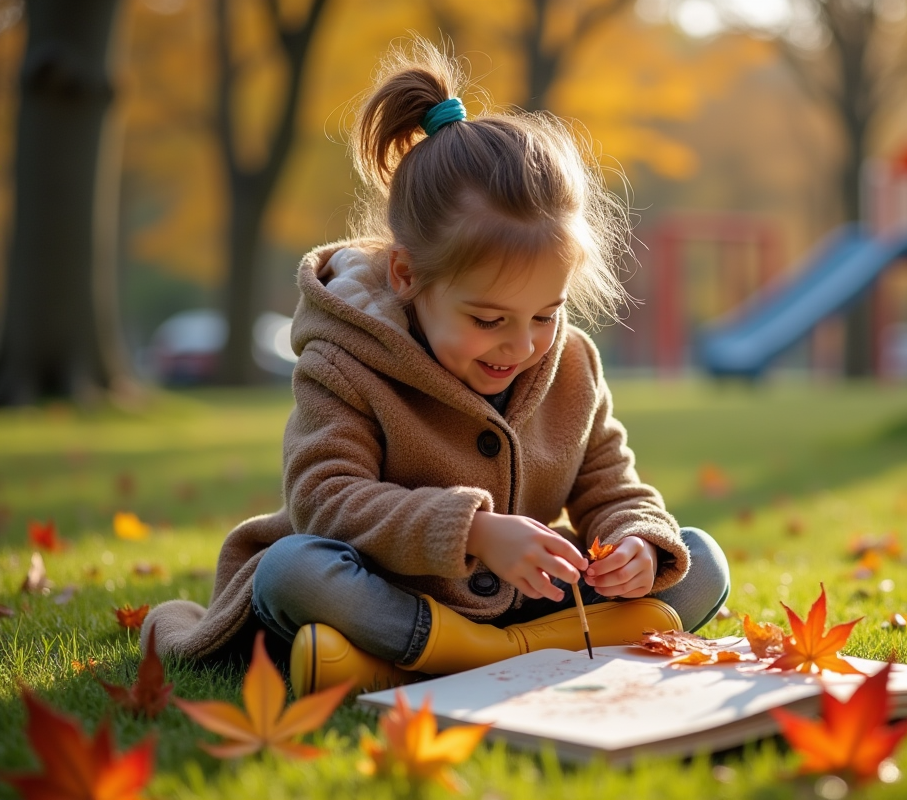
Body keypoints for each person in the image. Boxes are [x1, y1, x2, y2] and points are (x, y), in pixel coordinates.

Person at [141, 38, 730, 696]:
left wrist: (635, 548)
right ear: (407, 276)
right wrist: (475, 533)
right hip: (391, 599)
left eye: (545, 314)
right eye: (487, 320)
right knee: (291, 571)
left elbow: (613, 489)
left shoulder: (571, 365)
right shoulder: (345, 361)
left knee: (700, 560)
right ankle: (484, 653)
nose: (521, 345)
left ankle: (424, 662)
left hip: (522, 602)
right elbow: (324, 501)